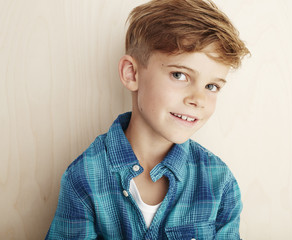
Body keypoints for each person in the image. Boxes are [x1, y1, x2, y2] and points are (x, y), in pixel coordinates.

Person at [46, 0, 250, 239]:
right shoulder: (84, 178)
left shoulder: (219, 183)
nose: (198, 99)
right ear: (132, 74)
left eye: (212, 86)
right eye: (179, 75)